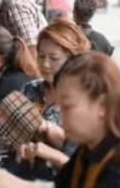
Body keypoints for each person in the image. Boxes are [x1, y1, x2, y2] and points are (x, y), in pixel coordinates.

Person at [0, 52, 120, 188]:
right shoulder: (87, 149)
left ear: (102, 105)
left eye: (67, 106)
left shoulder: (119, 163)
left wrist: (9, 182)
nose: (61, 116)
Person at [5, 21, 90, 180]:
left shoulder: (83, 102)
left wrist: (47, 132)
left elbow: (79, 157)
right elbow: (7, 142)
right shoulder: (29, 89)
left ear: (72, 58)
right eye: (41, 56)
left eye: (53, 58)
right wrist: (8, 137)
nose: (45, 64)